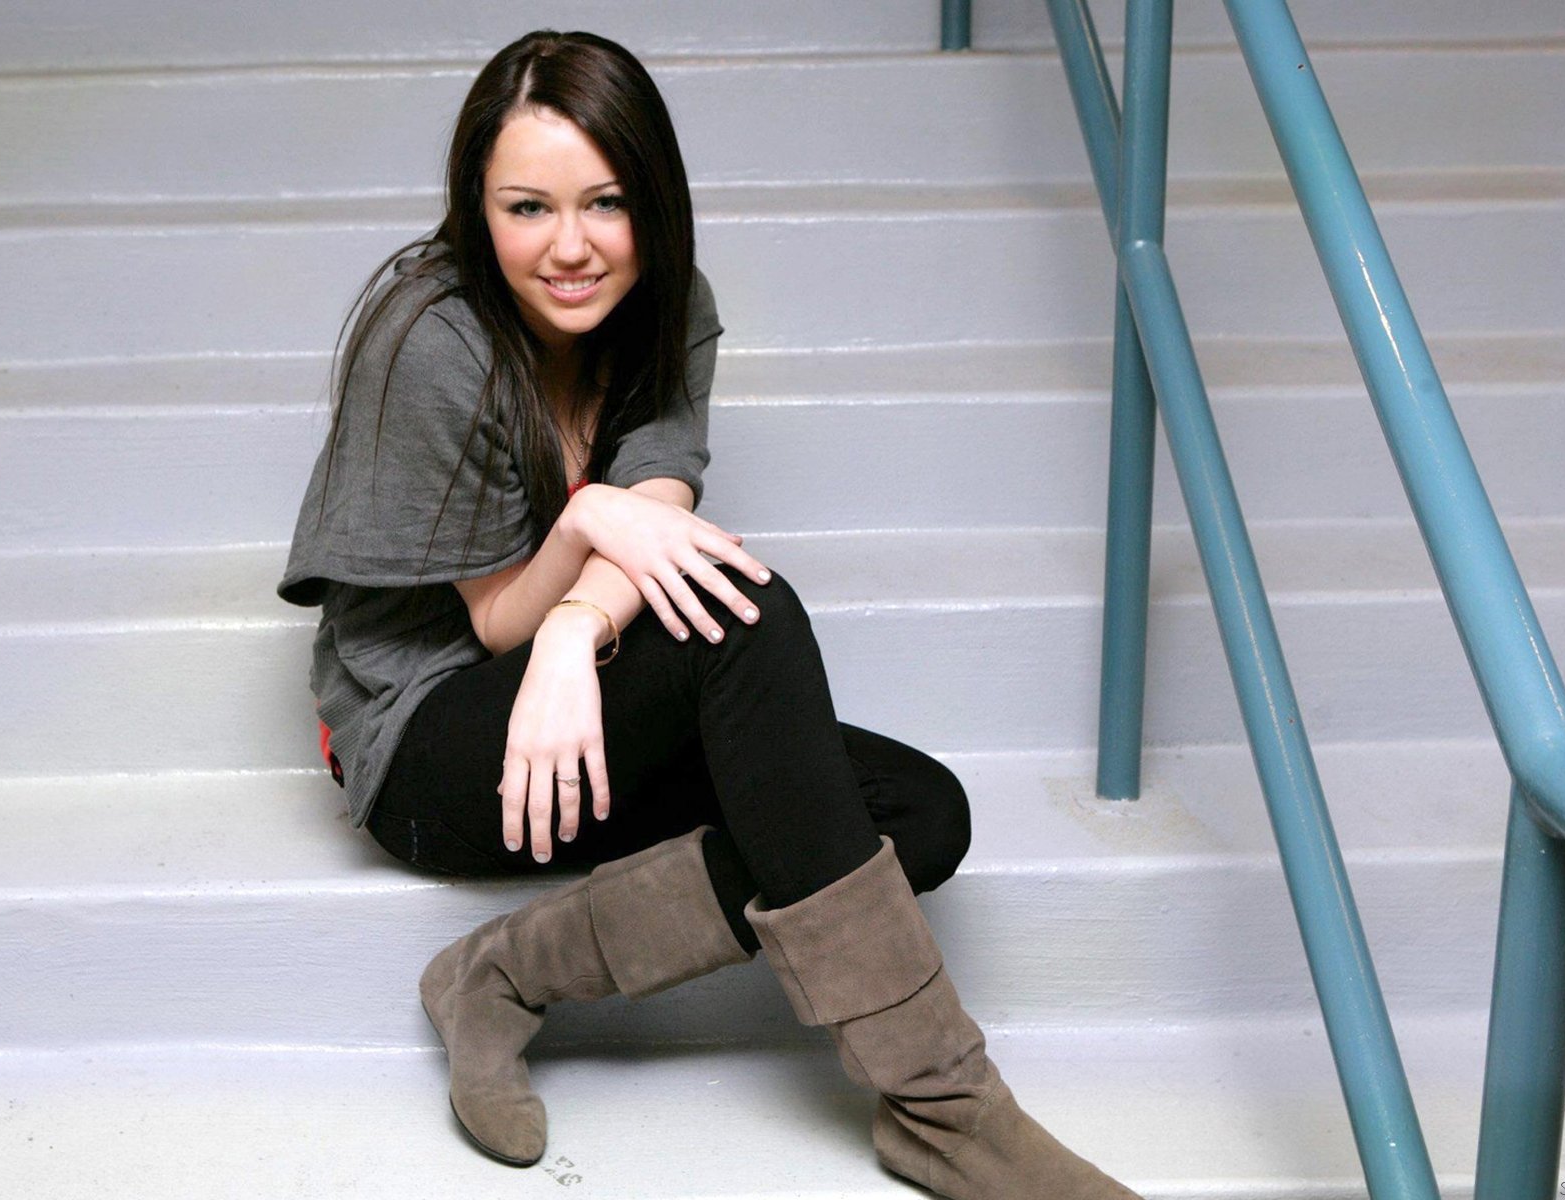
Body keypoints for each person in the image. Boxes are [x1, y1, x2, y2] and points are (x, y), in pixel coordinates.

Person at [275, 29, 1140, 1200]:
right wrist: (591, 527)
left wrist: (582, 627)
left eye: (607, 204)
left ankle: (499, 975)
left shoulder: (671, 307)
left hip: (577, 693)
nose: (570, 247)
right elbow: (488, 624)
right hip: (435, 746)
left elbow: (664, 499)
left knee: (915, 814)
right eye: (527, 208)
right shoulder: (434, 339)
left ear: (655, 202)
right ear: (476, 210)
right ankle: (944, 1107)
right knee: (747, 612)